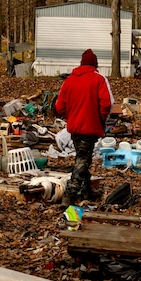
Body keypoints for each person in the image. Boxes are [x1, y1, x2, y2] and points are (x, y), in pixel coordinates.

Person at [55, 49, 113, 207]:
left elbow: (59, 106)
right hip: (90, 127)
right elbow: (107, 104)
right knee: (82, 160)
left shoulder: (69, 80)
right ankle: (69, 194)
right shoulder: (99, 79)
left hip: (74, 128)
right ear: (95, 64)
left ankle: (86, 191)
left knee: (83, 158)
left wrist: (70, 116)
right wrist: (100, 119)